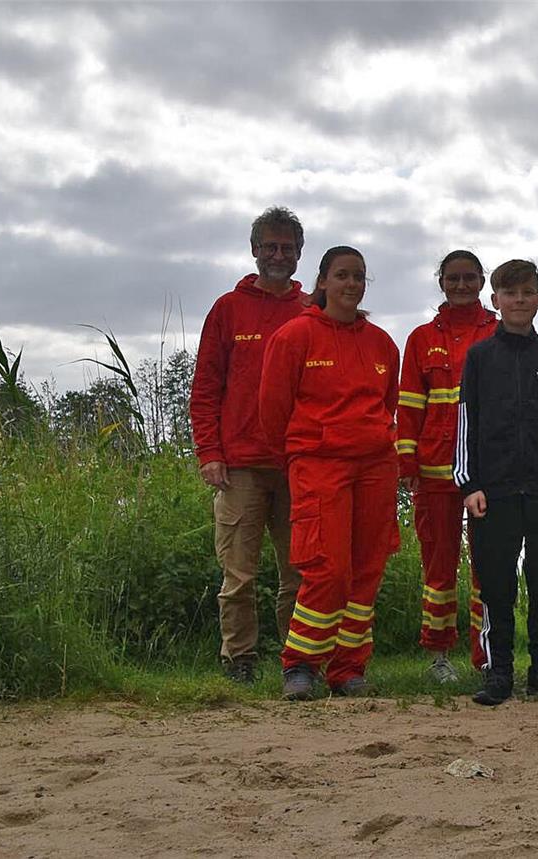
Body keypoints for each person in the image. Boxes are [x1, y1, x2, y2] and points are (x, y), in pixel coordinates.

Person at [259, 246, 400, 700]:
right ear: (322, 281)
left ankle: (348, 668)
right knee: (328, 568)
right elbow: (273, 411)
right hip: (319, 464)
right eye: (342, 275)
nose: (351, 284)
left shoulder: (382, 344)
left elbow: (388, 403)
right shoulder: (294, 336)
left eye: (359, 276)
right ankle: (300, 665)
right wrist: (301, 456)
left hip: (376, 466)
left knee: (367, 568)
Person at [455, 259, 538, 706]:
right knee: (497, 585)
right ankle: (499, 672)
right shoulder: (479, 357)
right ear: (495, 300)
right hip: (493, 492)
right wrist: (469, 483)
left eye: (527, 292)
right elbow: (466, 421)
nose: (519, 300)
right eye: (510, 293)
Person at [189, 206, 307, 684]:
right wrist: (209, 453)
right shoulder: (228, 308)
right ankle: (239, 658)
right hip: (239, 464)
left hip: (298, 463)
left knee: (300, 571)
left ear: (299, 255)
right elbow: (205, 387)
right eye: (270, 247)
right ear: (255, 250)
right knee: (238, 574)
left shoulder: (311, 311)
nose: (279, 255)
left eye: (287, 248)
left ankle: (298, 658)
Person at [398, 250, 497, 683]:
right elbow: (408, 404)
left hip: (487, 470)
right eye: (453, 278)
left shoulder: (497, 331)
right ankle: (439, 656)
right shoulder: (421, 338)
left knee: (487, 566)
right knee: (438, 567)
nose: (461, 285)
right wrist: (406, 460)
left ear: (482, 282)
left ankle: (486, 655)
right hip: (435, 468)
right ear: (441, 282)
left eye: (469, 277)